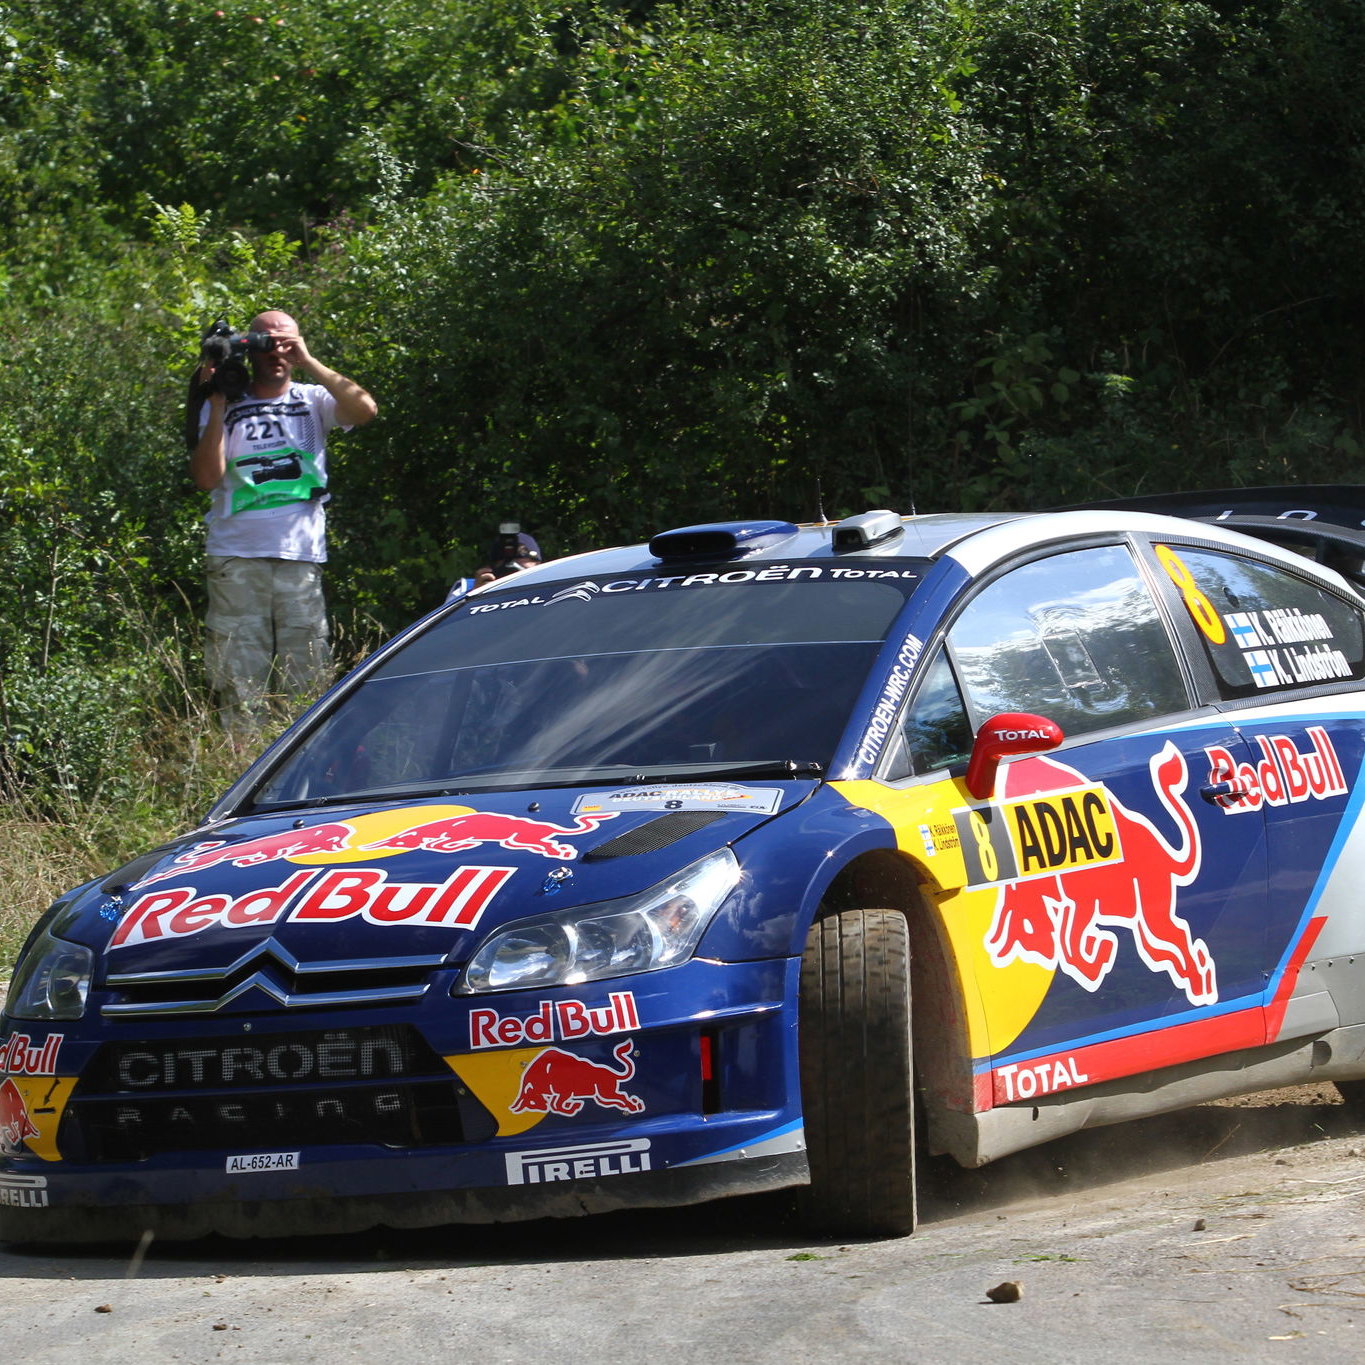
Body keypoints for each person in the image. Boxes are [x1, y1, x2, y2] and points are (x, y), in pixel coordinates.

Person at [190, 310, 378, 742]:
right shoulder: (225, 401)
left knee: (307, 674)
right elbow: (205, 478)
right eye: (267, 342)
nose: (277, 351)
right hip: (236, 556)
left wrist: (308, 360)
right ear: (249, 346)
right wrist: (217, 401)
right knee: (239, 676)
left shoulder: (313, 398)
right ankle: (241, 766)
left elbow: (364, 409)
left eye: (286, 342)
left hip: (299, 557)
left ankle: (303, 770)